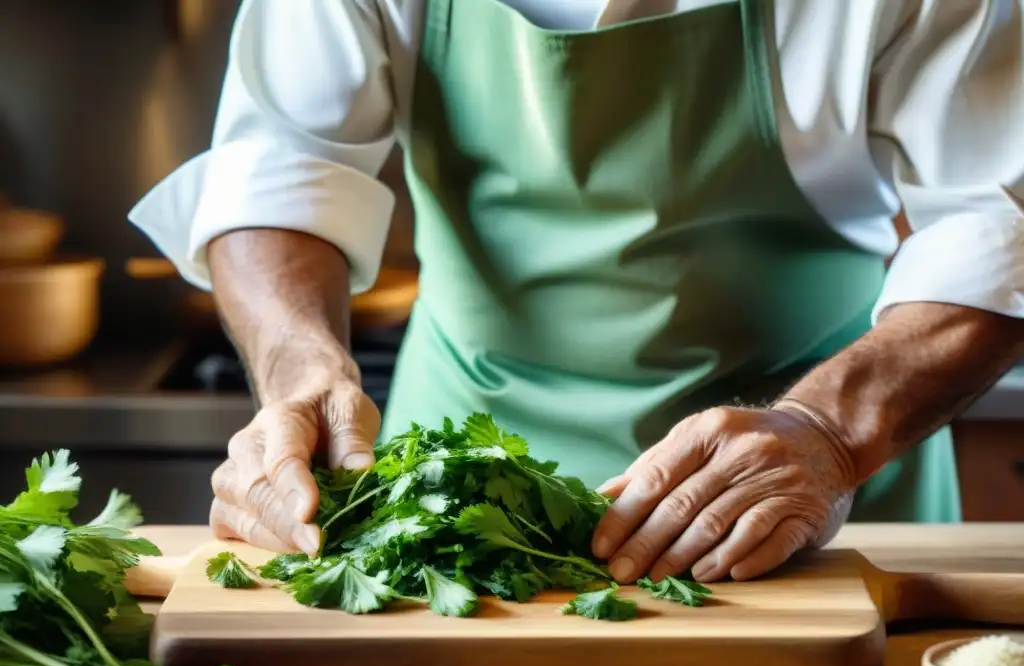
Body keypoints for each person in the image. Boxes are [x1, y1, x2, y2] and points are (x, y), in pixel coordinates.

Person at [130, 0, 1024, 585]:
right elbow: (282, 169)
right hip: (458, 495)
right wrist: (299, 373)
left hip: (817, 478)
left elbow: (998, 217)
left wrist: (828, 432)